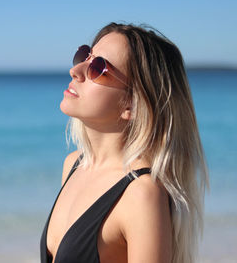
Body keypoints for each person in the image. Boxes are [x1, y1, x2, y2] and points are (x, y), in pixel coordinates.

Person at [40, 22, 209, 263]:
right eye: (84, 56)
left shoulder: (141, 194)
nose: (75, 70)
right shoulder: (73, 165)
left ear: (131, 104)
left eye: (98, 67)